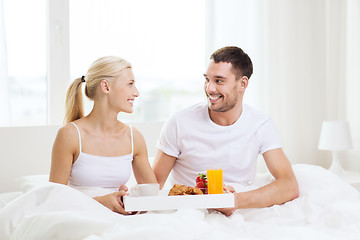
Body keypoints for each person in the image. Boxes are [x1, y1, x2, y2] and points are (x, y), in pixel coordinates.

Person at [153, 46, 299, 216]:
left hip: (238, 213)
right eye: (207, 79)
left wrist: (234, 201)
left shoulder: (261, 124)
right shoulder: (179, 121)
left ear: (242, 83)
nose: (209, 88)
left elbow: (289, 185)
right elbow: (153, 186)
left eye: (219, 81)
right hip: (189, 215)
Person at [49, 56, 157, 215]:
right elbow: (53, 200)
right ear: (106, 87)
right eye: (130, 84)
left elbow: (152, 197)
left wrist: (130, 198)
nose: (136, 92)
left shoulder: (134, 137)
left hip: (119, 220)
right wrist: (102, 202)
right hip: (78, 217)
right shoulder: (70, 135)